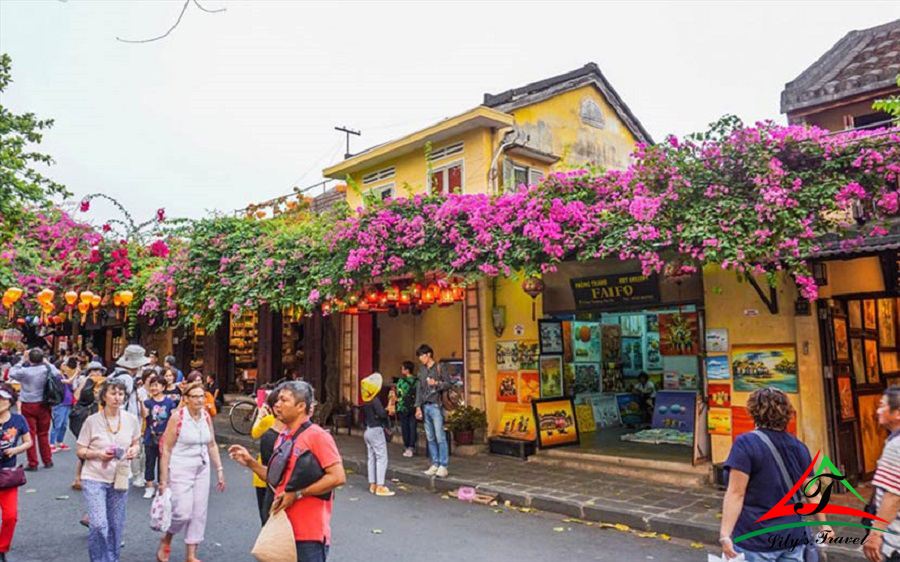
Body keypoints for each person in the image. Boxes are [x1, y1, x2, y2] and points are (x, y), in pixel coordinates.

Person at [229, 381, 346, 562]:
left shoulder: (317, 436)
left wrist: (298, 494)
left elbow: (338, 477)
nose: (277, 404)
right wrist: (250, 463)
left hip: (308, 534)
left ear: (301, 407)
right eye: (277, 400)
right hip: (283, 529)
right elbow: (276, 479)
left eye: (284, 400)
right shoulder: (283, 436)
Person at [719, 387, 830, 561]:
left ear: (753, 412)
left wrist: (725, 534)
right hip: (792, 536)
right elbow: (812, 492)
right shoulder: (798, 447)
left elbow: (736, 493)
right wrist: (824, 526)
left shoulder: (745, 444)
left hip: (756, 537)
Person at [156, 382, 226, 562]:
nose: (199, 400)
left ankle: (191, 555)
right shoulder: (177, 417)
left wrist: (219, 469)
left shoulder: (205, 416)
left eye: (202, 396)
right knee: (182, 512)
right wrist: (163, 481)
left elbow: (211, 444)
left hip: (201, 467)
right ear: (186, 399)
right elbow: (167, 450)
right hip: (180, 467)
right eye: (195, 396)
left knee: (199, 512)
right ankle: (168, 537)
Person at [76, 378, 141, 562]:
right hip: (94, 477)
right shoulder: (92, 421)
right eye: (113, 393)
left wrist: (134, 450)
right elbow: (80, 450)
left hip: (119, 478)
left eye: (121, 394)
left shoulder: (131, 419)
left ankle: (111, 559)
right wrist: (98, 454)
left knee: (115, 524)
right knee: (98, 524)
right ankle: (98, 559)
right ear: (104, 395)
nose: (117, 398)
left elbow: (136, 442)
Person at [864, 386, 900, 562]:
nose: (877, 411)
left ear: (898, 413)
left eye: (882, 405)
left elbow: (892, 496)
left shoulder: (896, 446)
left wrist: (876, 534)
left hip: (895, 542)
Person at [8, 348, 58, 471]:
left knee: (29, 434)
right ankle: (47, 460)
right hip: (44, 403)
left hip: (28, 403)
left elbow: (12, 372)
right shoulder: (46, 369)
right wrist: (47, 362)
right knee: (43, 433)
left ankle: (33, 462)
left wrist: (21, 361)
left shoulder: (24, 371)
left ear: (29, 358)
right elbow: (57, 372)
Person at [0, 383, 33, 562]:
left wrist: (15, 450)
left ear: (10, 400)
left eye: (3, 398)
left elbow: (29, 442)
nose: (0, 401)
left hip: (7, 475)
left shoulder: (18, 420)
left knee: (10, 516)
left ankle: (2, 548)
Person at [414, 344, 449, 478]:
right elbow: (419, 389)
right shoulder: (422, 370)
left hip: (436, 405)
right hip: (425, 405)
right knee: (430, 437)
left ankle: (443, 465)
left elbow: (448, 383)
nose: (420, 359)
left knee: (440, 436)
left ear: (428, 355)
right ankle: (435, 463)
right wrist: (418, 406)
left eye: (422, 356)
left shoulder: (440, 367)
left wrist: (436, 384)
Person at [71, 361, 106, 491]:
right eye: (94, 371)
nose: (97, 373)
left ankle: (82, 477)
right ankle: (79, 477)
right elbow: (77, 397)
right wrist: (86, 383)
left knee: (94, 446)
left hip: (99, 417)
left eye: (99, 371)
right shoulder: (84, 382)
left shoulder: (104, 383)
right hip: (84, 418)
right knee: (84, 446)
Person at [250, 390, 283, 524]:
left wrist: (259, 414)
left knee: (265, 515)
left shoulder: (268, 420)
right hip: (276, 476)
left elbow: (254, 432)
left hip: (262, 473)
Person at [141, 374, 176, 500]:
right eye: (152, 385)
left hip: (165, 437)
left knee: (164, 463)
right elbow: (145, 415)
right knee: (150, 461)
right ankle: (149, 486)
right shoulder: (148, 402)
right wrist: (141, 401)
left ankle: (162, 486)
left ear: (163, 386)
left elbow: (173, 417)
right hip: (150, 436)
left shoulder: (169, 402)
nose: (153, 388)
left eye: (156, 385)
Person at [361, 373, 394, 497]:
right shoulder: (375, 400)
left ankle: (372, 484)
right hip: (376, 430)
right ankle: (380, 486)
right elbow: (382, 414)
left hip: (368, 430)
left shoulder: (366, 400)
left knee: (371, 457)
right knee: (381, 457)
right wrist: (387, 410)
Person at [51, 356, 79, 452]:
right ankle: (51, 443)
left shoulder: (66, 375)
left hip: (68, 403)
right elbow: (68, 381)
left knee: (64, 424)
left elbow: (72, 384)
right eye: (63, 364)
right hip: (60, 403)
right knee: (57, 424)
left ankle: (60, 442)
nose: (65, 366)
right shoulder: (57, 377)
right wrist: (76, 372)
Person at [395, 361, 418, 457]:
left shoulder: (401, 381)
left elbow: (398, 393)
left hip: (403, 406)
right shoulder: (417, 381)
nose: (401, 370)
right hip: (414, 406)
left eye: (403, 368)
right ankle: (412, 447)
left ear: (407, 370)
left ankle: (406, 445)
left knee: (405, 427)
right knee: (413, 427)